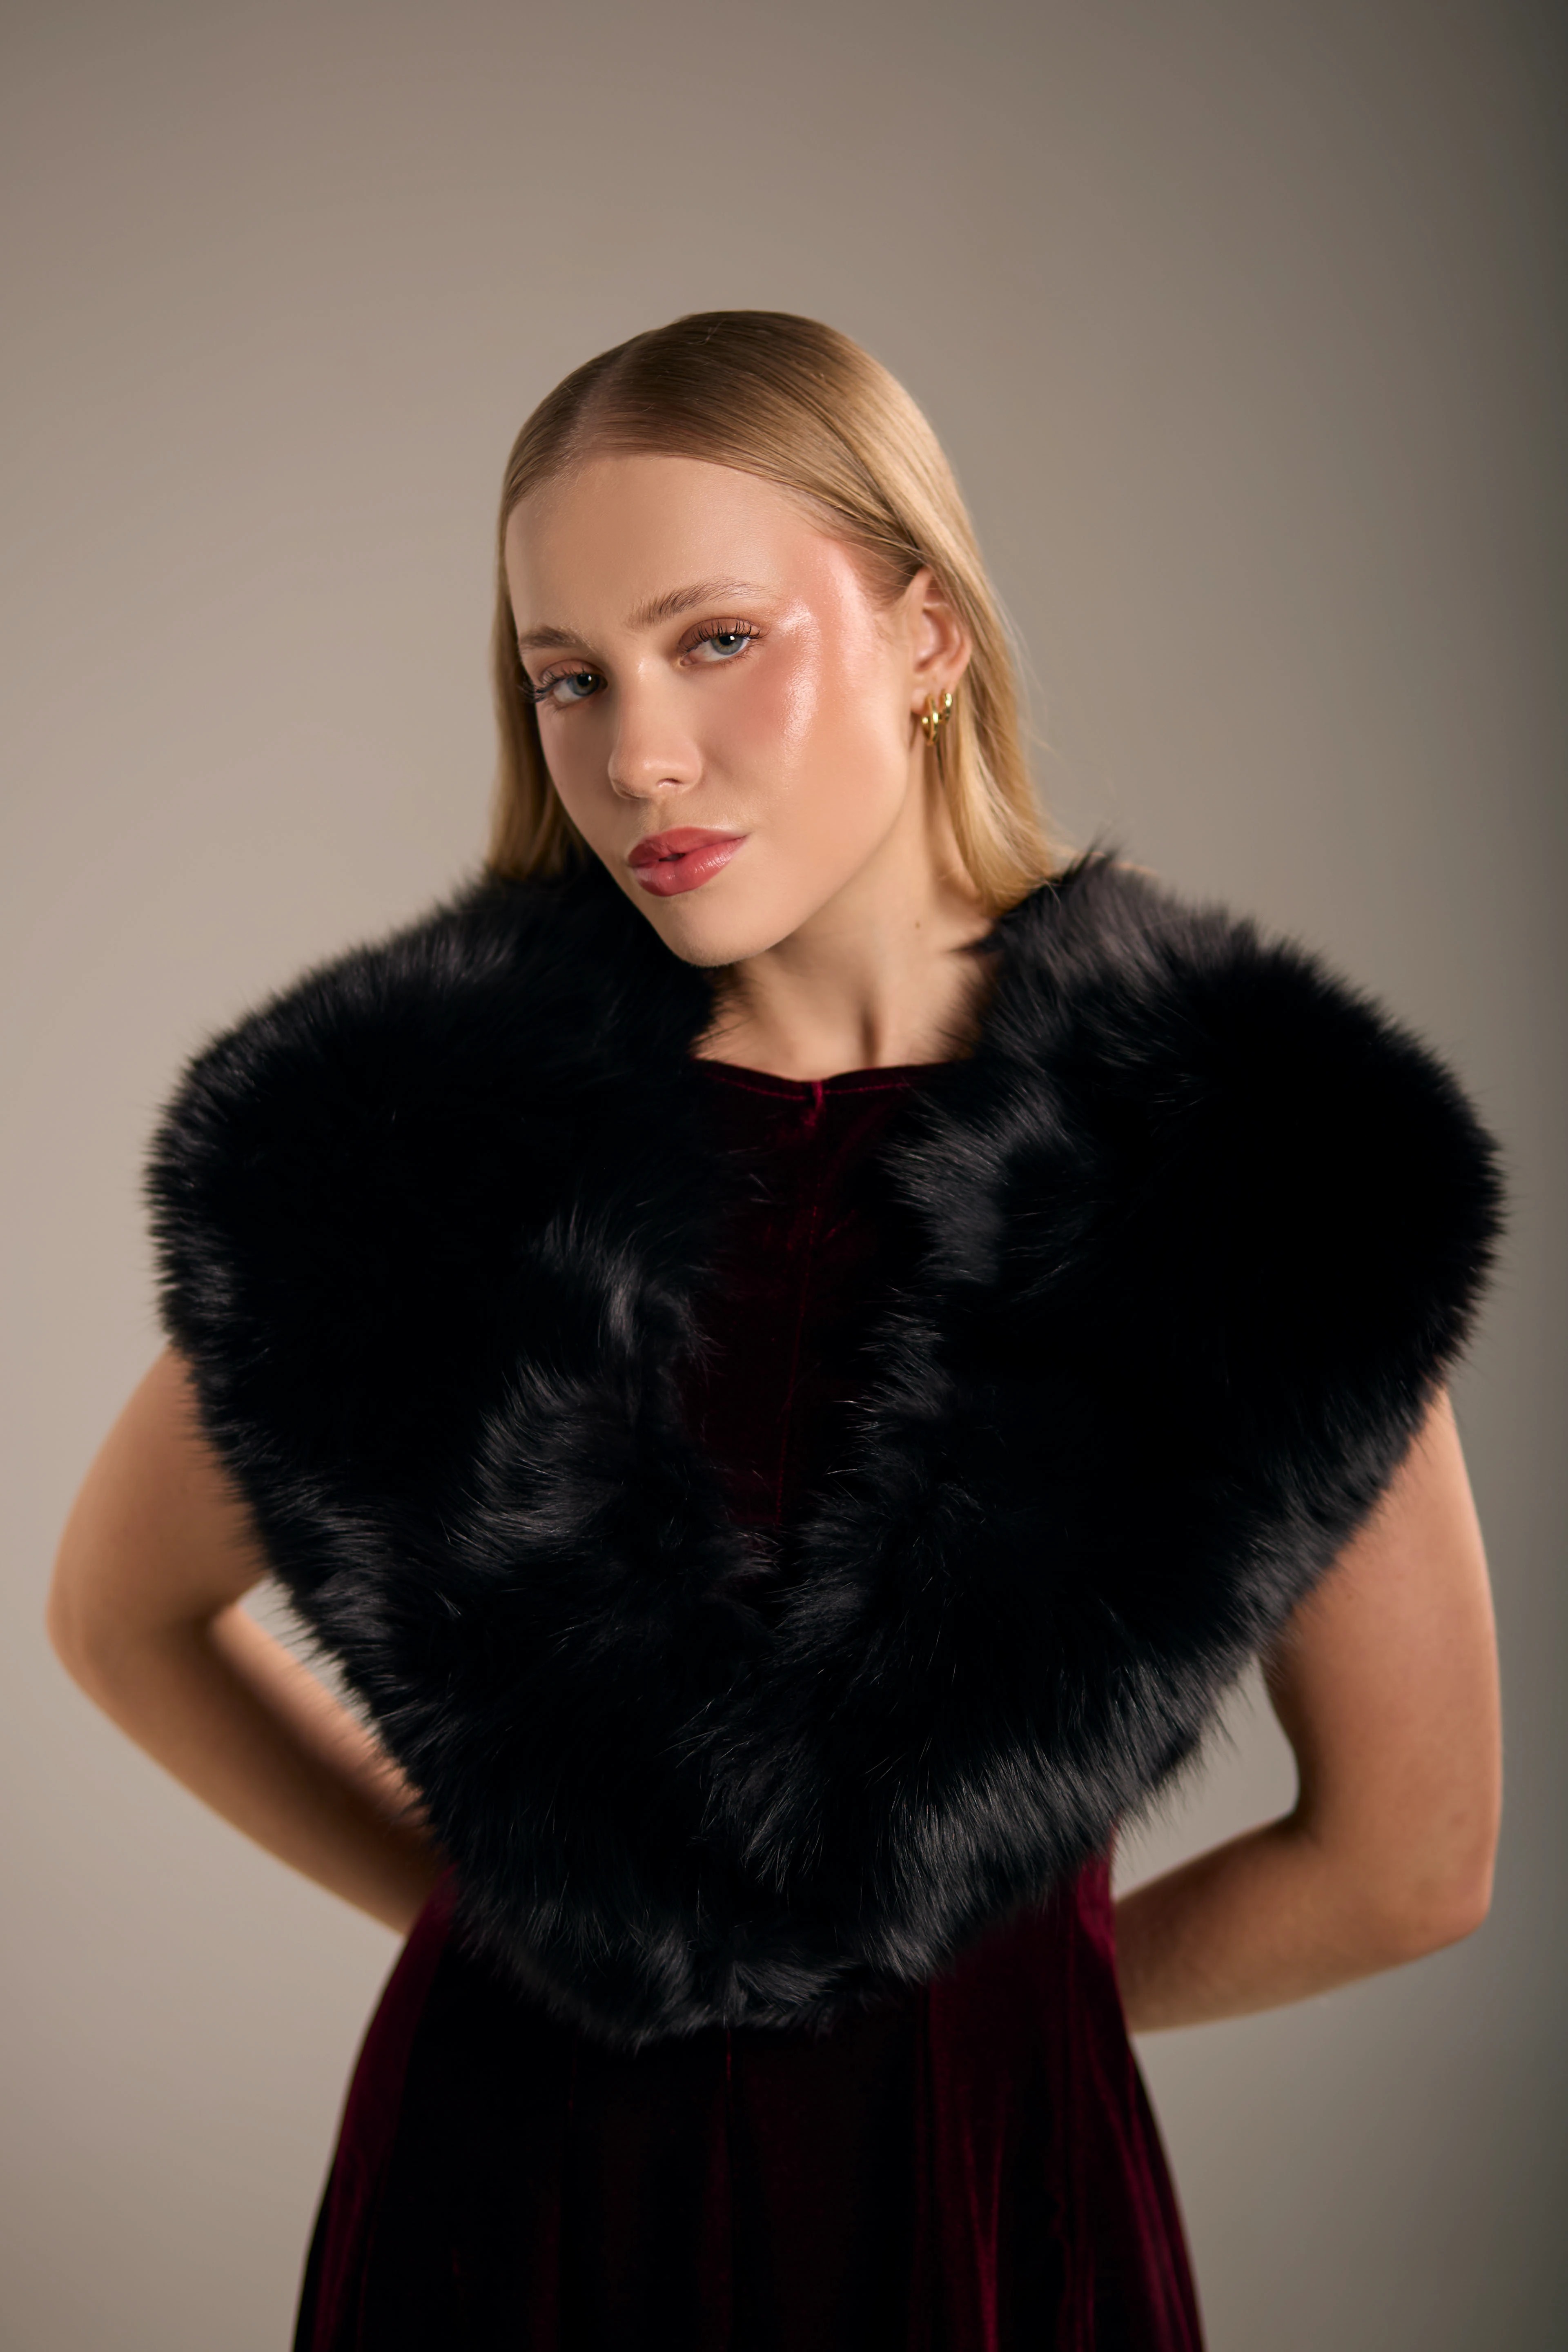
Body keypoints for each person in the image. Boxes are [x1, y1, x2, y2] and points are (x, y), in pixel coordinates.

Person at [47, 312, 1504, 2350]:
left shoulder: (1240, 1166)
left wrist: (992, 2011)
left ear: (927, 632)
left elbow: (1413, 1857)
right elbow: (118, 1615)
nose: (638, 754)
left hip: (984, 2207)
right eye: (571, 676)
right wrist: (544, 1929)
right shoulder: (429, 1153)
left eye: (716, 640)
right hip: (507, 2204)